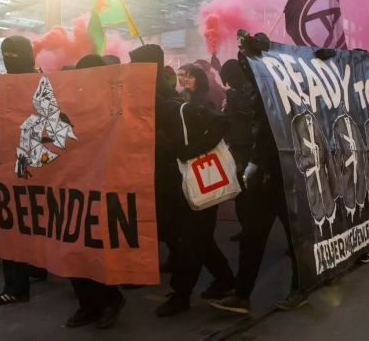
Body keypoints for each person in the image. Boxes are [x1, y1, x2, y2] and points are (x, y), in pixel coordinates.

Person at [130, 45, 235, 317]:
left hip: (196, 179)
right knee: (198, 238)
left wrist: (193, 150)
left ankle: (182, 294)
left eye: (188, 76)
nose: (184, 80)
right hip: (180, 182)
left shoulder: (176, 106)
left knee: (192, 239)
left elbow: (222, 123)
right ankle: (224, 279)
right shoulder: (166, 102)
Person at [210, 32, 304, 315]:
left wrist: (256, 160)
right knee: (253, 237)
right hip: (263, 178)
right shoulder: (252, 90)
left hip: (288, 178)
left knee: (297, 238)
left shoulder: (286, 87)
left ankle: (301, 286)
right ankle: (242, 294)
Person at [57, 53, 127, 329]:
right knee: (74, 247)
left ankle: (111, 298)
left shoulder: (117, 103)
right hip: (73, 182)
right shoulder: (70, 102)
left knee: (98, 248)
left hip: (104, 184)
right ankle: (87, 304)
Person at [0, 37, 50, 303]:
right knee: (15, 225)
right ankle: (17, 284)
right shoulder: (3, 85)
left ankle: (22, 281)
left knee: (28, 224)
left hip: (38, 164)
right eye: (5, 54)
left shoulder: (45, 83)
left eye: (14, 54)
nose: (9, 58)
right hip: (10, 166)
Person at [220, 59, 255, 242]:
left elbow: (246, 109)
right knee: (242, 192)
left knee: (245, 192)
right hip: (238, 145)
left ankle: (250, 230)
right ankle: (247, 229)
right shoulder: (238, 90)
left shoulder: (247, 88)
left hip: (246, 147)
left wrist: (230, 95)